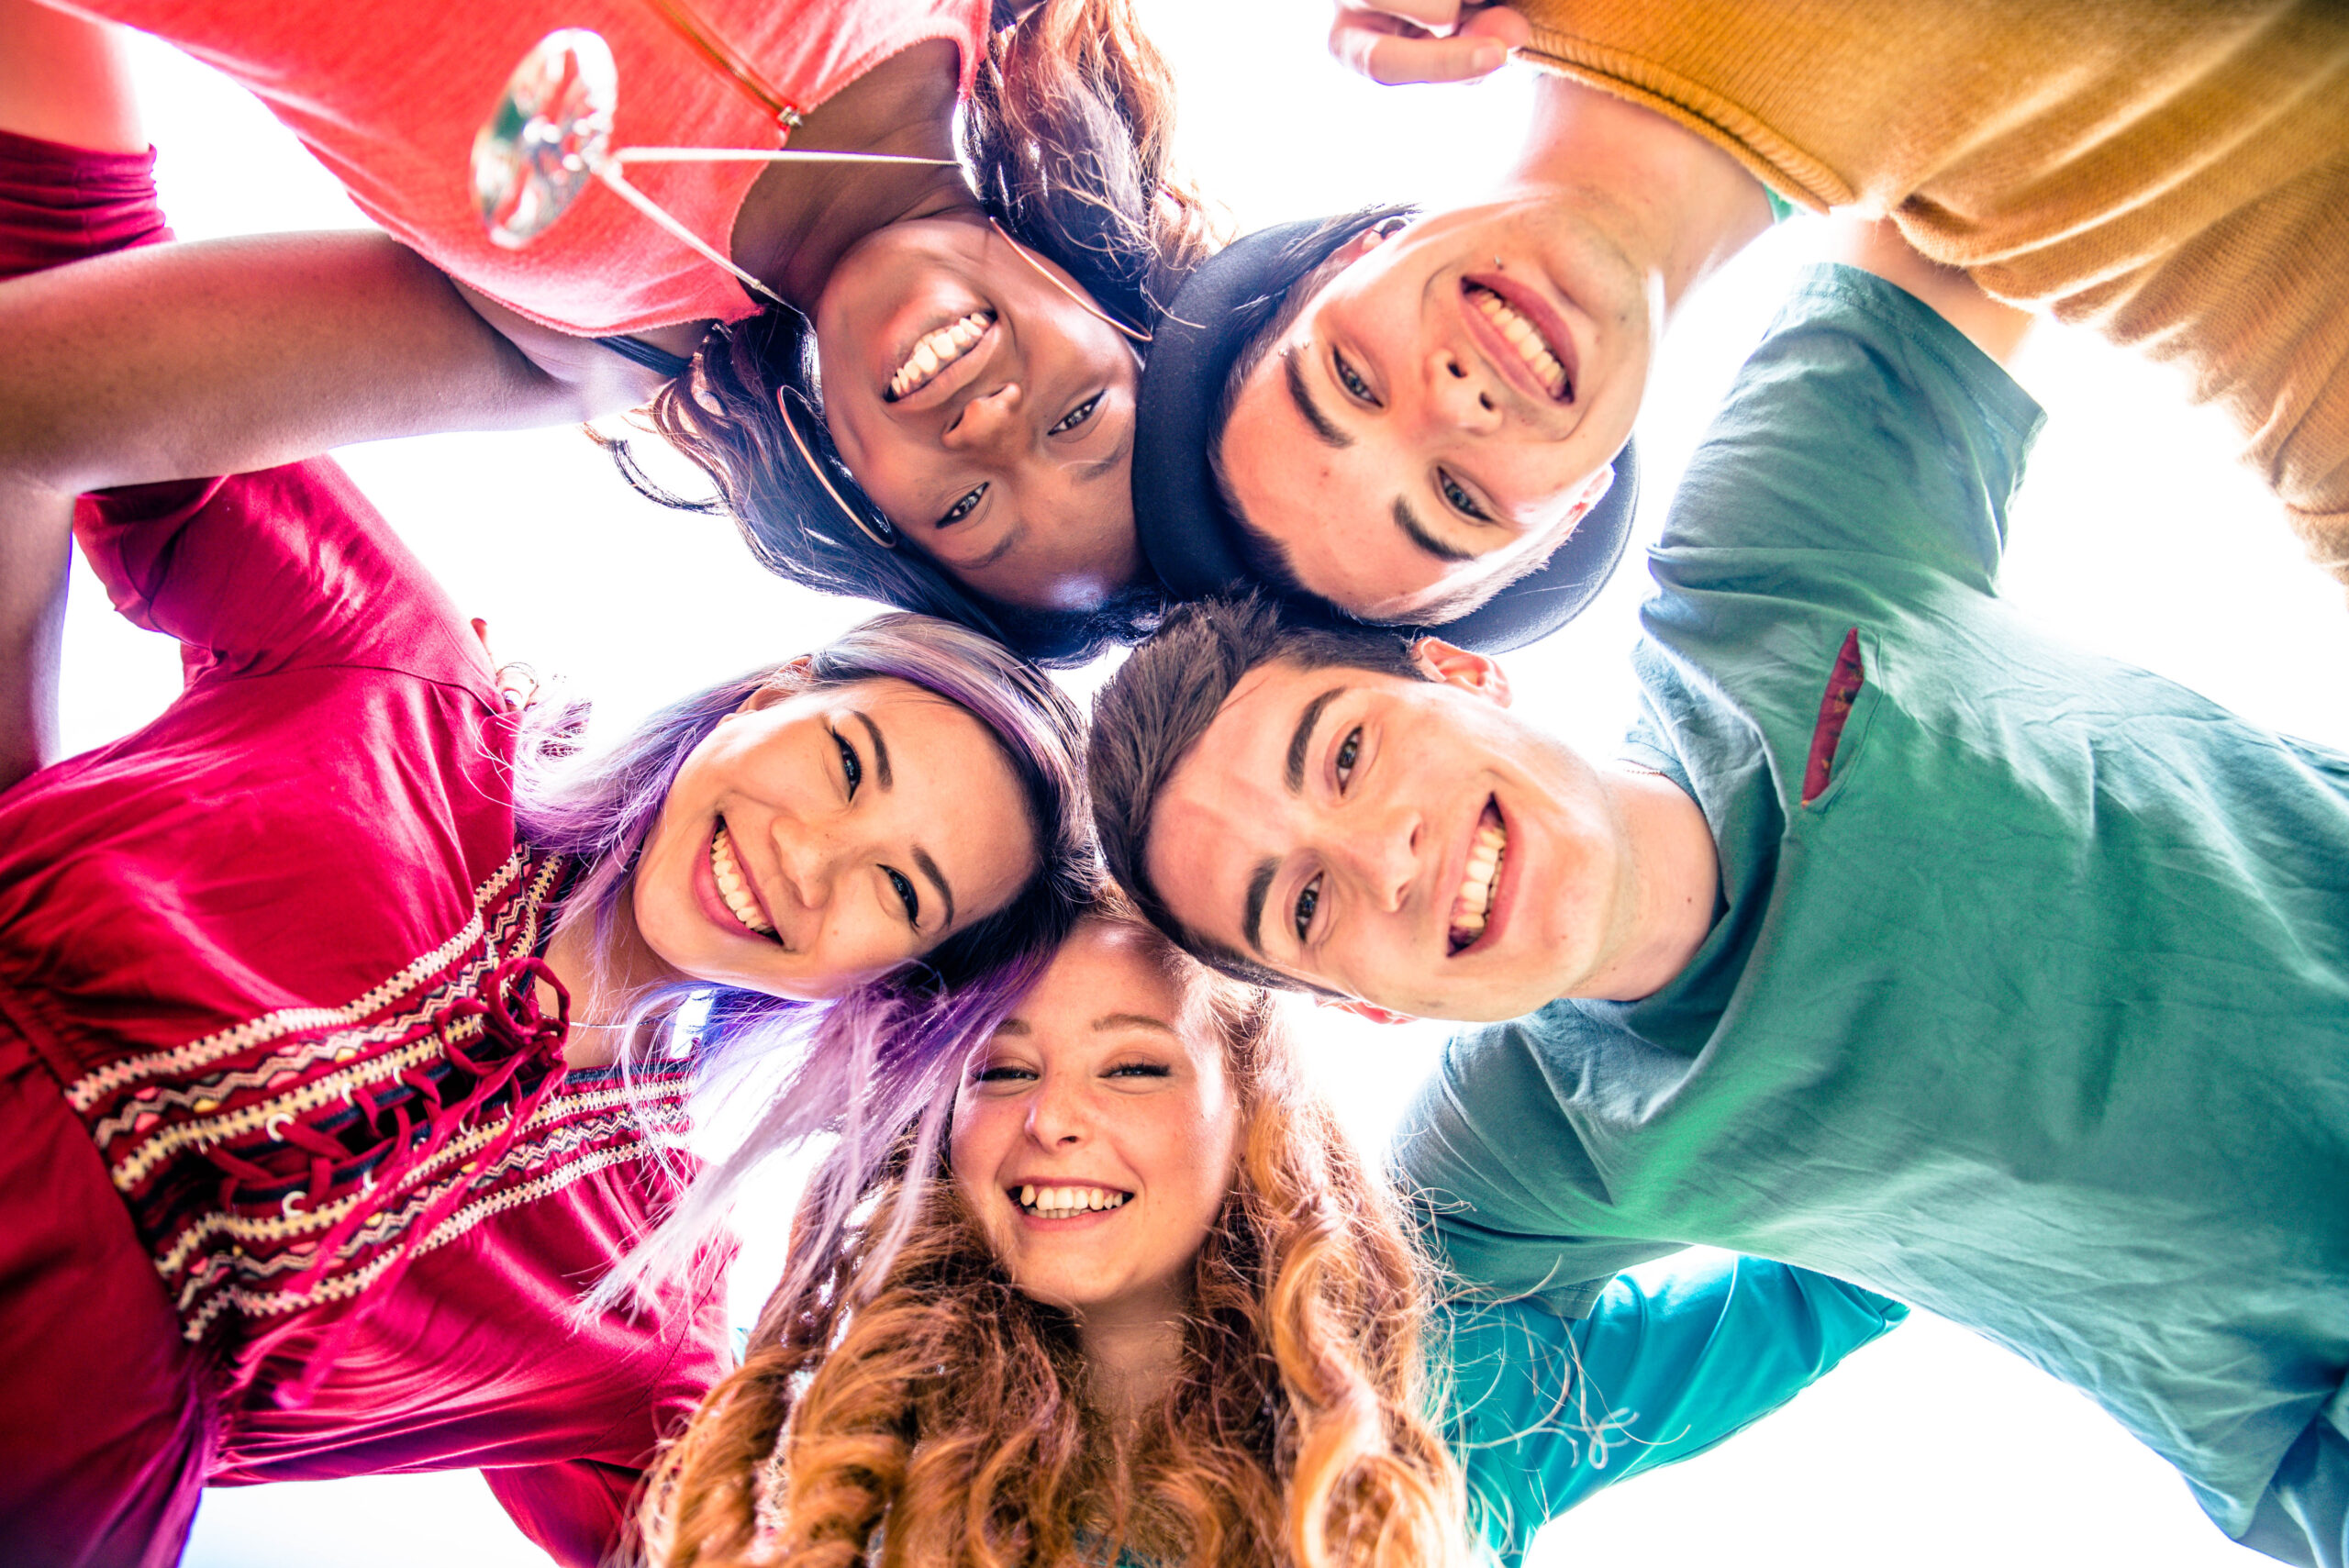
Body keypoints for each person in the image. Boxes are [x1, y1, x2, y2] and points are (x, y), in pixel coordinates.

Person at [1085, 221, 2349, 1562]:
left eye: (1344, 752)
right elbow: (1309, 1431)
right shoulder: (1525, 1155)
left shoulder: (1767, 572)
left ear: (1460, 675)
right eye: (1303, 909)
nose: (1383, 856)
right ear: (1371, 1009)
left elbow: (1977, 193)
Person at [0, 21, 1092, 1559]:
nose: (811, 856)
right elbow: (63, 331)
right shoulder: (404, 677)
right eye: (850, 763)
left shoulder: (650, 1309)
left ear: (886, 987)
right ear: (769, 694)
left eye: (902, 896)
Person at [640, 895, 1905, 1568]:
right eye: (998, 1071)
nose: (1054, 1125)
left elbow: (1844, 1273)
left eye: (1133, 1069)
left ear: (1243, 1110)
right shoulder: (836, 1432)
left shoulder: (1452, 1394)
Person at [1129, 0, 2349, 644]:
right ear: (1569, 518)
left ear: (1352, 256)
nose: (1450, 401)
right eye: (1458, 500)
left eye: (1348, 377)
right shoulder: (2089, 226)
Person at [44, 0, 1219, 661]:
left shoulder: (583, 344)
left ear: (867, 501)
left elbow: (28, 407)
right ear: (1115, 307)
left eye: (963, 510)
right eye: (1081, 417)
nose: (988, 428)